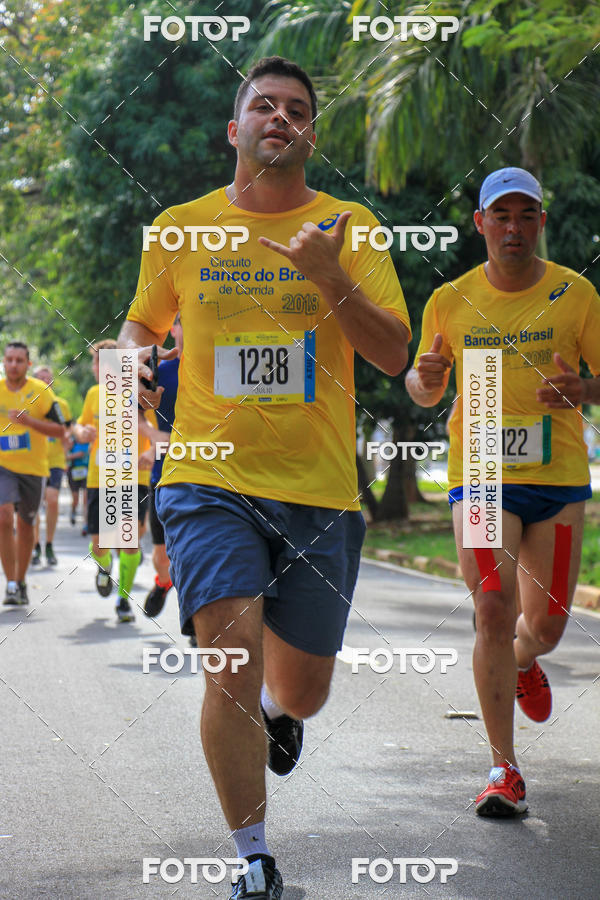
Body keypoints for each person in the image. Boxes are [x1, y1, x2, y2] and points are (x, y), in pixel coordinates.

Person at [119, 56, 410, 900]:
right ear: (235, 128)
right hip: (206, 475)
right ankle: (255, 864)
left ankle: (283, 720)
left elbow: (392, 354)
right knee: (230, 658)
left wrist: (331, 277)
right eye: (264, 105)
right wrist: (131, 361)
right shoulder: (180, 227)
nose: (280, 117)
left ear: (310, 135)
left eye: (296, 110)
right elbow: (143, 324)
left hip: (318, 489)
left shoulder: (353, 226)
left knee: (303, 691)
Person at [406, 167, 600, 817]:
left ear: (540, 223)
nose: (513, 228)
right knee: (491, 605)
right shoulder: (452, 300)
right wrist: (423, 381)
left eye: (525, 216)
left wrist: (585, 391)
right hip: (482, 475)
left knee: (543, 627)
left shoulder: (576, 296)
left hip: (559, 481)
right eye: (501, 215)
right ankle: (503, 770)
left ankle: (524, 661)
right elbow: (424, 386)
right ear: (480, 223)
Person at [73, 340, 147, 623]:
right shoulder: (93, 394)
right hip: (98, 478)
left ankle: (124, 600)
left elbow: (152, 426)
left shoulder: (139, 391)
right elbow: (80, 425)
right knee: (99, 545)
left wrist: (152, 451)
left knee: (129, 543)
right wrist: (82, 432)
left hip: (132, 476)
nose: (97, 368)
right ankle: (104, 569)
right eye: (96, 363)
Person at [0, 342, 66, 604]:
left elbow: (61, 430)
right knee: (4, 517)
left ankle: (22, 577)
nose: (13, 364)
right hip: (3, 467)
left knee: (26, 526)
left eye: (19, 360)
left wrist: (29, 422)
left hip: (34, 470)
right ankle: (12, 583)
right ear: (3, 362)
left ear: (28, 364)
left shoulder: (41, 393)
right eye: (9, 360)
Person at [138, 315, 183, 622]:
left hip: (212, 473)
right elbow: (126, 408)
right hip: (163, 474)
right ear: (172, 329)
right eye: (184, 322)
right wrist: (155, 437)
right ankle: (163, 582)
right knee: (161, 555)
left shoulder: (224, 368)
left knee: (199, 552)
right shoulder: (161, 369)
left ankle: (197, 616)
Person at [30, 365, 72, 566]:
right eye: (41, 379)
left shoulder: (60, 405)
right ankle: (36, 545)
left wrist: (66, 451)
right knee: (35, 506)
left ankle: (49, 543)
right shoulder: (28, 404)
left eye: (48, 379)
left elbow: (67, 430)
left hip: (55, 461)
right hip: (33, 460)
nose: (45, 382)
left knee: (52, 499)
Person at [66, 435, 89, 527]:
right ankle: (73, 511)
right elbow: (65, 456)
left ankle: (86, 523)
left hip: (87, 472)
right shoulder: (73, 442)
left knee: (85, 498)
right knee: (75, 498)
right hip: (73, 472)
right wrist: (76, 455)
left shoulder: (90, 443)